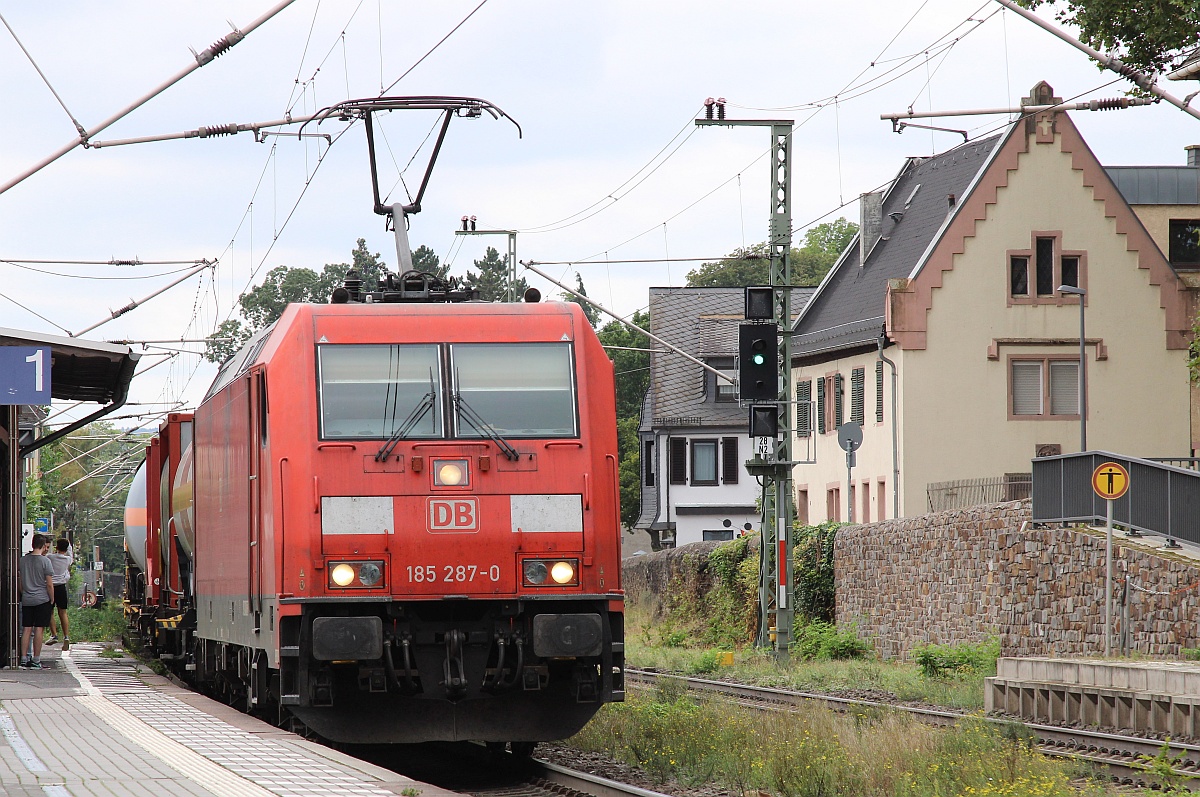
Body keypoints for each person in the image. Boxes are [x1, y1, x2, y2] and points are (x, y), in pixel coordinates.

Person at [18, 534, 54, 669]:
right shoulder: (45, 562)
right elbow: (49, 584)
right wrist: (52, 598)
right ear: (44, 546)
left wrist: (24, 593)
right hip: (42, 599)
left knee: (26, 629)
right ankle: (36, 660)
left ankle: (23, 658)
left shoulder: (22, 561)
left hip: (27, 599)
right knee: (39, 629)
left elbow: (20, 582)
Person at [46, 538, 73, 650]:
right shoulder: (67, 560)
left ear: (56, 547)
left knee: (50, 611)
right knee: (63, 612)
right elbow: (70, 552)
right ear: (66, 549)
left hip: (50, 587)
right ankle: (66, 636)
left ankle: (54, 635)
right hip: (61, 588)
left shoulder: (50, 557)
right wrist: (69, 545)